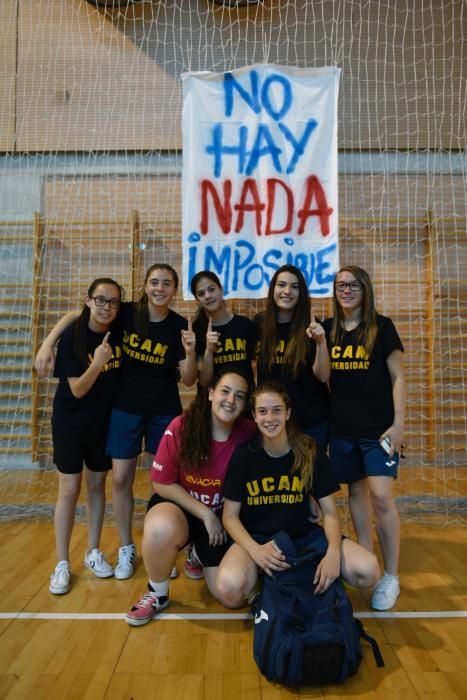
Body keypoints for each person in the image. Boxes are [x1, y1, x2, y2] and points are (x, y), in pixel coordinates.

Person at [34, 264, 197, 581]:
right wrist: (47, 341)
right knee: (120, 479)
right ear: (146, 286)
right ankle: (126, 547)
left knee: (163, 482)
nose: (159, 288)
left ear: (175, 290)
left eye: (166, 283)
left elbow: (189, 380)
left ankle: (163, 547)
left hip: (163, 409)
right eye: (154, 282)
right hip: (123, 409)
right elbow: (78, 315)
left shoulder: (179, 326)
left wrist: (190, 352)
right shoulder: (127, 312)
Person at [214, 381, 379, 608]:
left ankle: (329, 577)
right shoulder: (244, 455)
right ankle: (264, 580)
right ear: (254, 415)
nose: (269, 418)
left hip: (304, 538)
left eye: (277, 410)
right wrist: (255, 550)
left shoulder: (309, 450)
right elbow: (229, 516)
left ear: (288, 413)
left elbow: (330, 512)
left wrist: (332, 554)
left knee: (368, 571)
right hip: (259, 539)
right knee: (230, 589)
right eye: (262, 411)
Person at [125, 370, 257, 626]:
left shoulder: (250, 434)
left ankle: (197, 553)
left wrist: (309, 496)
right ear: (210, 394)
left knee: (232, 596)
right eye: (225, 391)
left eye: (239, 396)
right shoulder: (182, 426)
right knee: (160, 528)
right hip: (185, 511)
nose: (230, 400)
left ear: (244, 404)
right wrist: (205, 513)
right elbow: (161, 482)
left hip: (222, 521)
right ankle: (157, 593)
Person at [322, 266, 406, 611]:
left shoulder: (382, 327)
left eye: (353, 284)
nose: (346, 290)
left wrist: (399, 424)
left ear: (365, 289)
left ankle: (392, 576)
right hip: (342, 430)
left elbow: (399, 377)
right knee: (355, 491)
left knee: (382, 496)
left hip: (379, 431)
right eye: (341, 285)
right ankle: (368, 559)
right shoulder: (328, 330)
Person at [45, 277, 122, 595]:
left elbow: (74, 312)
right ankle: (62, 563)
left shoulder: (118, 327)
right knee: (69, 489)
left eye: (113, 302)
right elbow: (77, 389)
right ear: (88, 301)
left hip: (102, 423)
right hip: (70, 423)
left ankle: (93, 551)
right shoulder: (73, 339)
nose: (107, 307)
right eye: (100, 300)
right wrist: (98, 363)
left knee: (96, 487)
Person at [254, 265, 330, 446]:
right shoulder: (260, 323)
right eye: (281, 285)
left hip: (311, 422)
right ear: (273, 289)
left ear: (301, 292)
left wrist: (321, 342)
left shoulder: (312, 325)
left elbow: (323, 376)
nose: (287, 291)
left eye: (295, 287)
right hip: (273, 422)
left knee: (310, 474)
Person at [190, 270, 255, 390]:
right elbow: (204, 382)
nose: (208, 296)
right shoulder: (196, 331)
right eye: (201, 293)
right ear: (197, 300)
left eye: (211, 289)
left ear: (221, 289)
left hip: (244, 400)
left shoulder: (245, 325)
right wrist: (209, 351)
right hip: (211, 404)